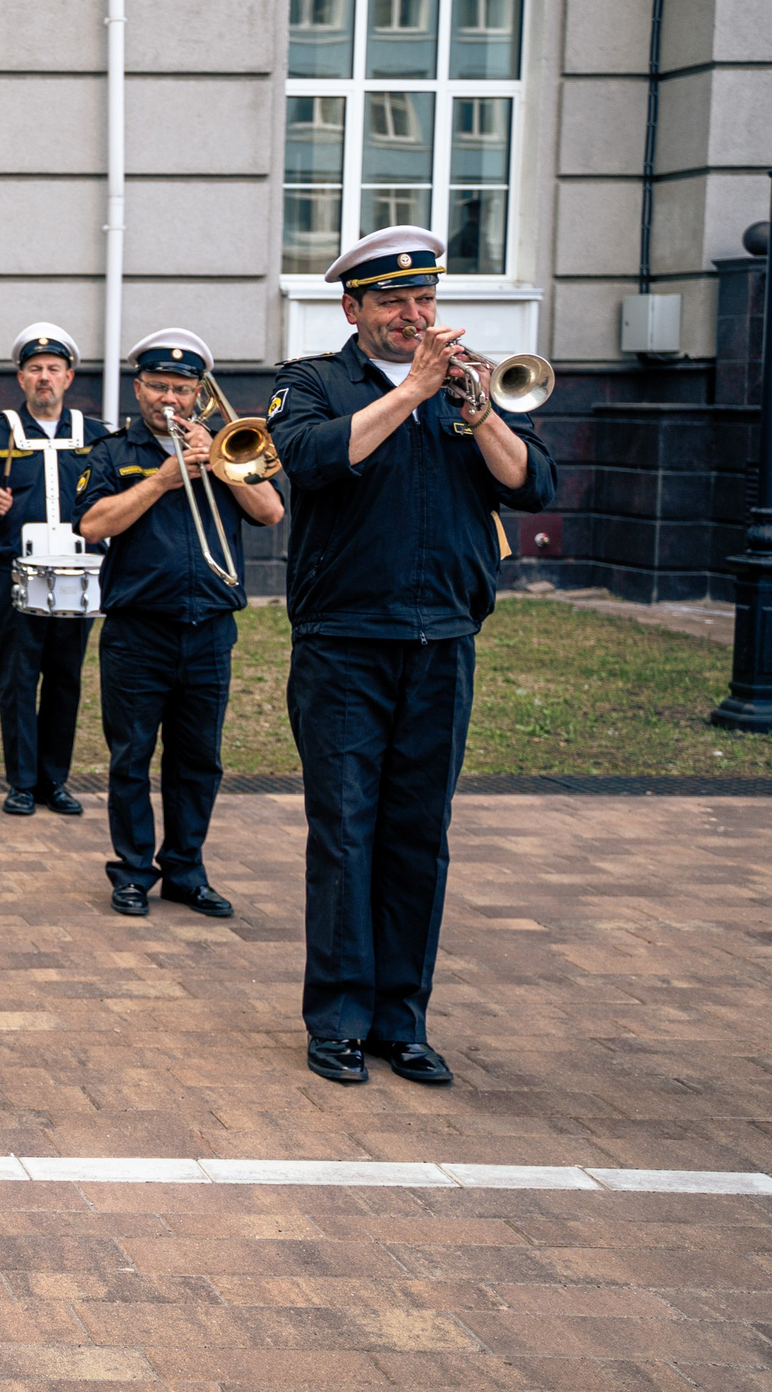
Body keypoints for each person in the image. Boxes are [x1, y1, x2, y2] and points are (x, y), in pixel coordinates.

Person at [269, 226, 555, 1088]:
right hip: (346, 646)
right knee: (347, 834)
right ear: (352, 307)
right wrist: (410, 392)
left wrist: (476, 410)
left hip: (442, 644)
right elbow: (313, 461)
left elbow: (533, 482)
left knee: (418, 838)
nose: (413, 314)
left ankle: (405, 1019)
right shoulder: (313, 383)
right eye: (393, 300)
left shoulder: (467, 394)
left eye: (424, 298)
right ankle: (341, 1020)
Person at [73, 329, 283, 921]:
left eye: (183, 389)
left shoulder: (226, 446)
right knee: (131, 756)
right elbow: (92, 527)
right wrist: (163, 478)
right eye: (159, 386)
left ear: (200, 393)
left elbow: (270, 511)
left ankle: (186, 871)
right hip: (138, 630)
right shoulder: (113, 453)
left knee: (198, 759)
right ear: (138, 388)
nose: (170, 398)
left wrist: (219, 457)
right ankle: (134, 871)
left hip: (210, 626)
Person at [0, 324, 100, 817]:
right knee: (19, 675)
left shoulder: (96, 434)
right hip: (14, 570)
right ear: (21, 378)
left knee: (66, 676)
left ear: (69, 377)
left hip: (78, 572)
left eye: (53, 369)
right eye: (35, 369)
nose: (45, 377)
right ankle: (21, 782)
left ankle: (54, 781)